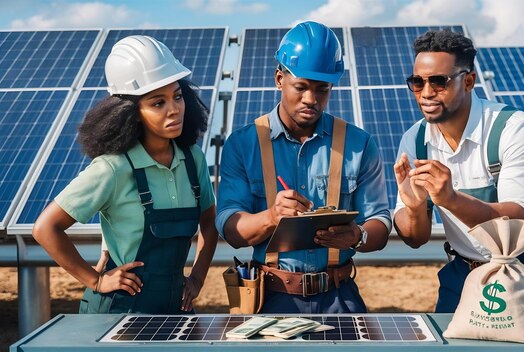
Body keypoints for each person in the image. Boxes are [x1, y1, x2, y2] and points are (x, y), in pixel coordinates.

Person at [32, 35, 218, 314]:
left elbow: (209, 222)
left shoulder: (193, 158)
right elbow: (45, 228)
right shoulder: (113, 168)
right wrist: (95, 280)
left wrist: (198, 277)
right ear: (130, 111)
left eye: (177, 96)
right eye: (158, 103)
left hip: (173, 308)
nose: (174, 109)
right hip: (118, 311)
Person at [216, 21, 391, 314]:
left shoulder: (359, 144)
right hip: (269, 298)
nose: (311, 99)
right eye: (301, 87)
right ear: (279, 79)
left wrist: (357, 235)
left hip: (339, 297)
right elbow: (230, 229)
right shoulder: (242, 144)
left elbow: (381, 223)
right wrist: (271, 217)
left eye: (322, 89)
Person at [393, 29, 524, 313]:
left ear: (469, 81)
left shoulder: (513, 129)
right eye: (417, 82)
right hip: (461, 274)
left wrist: (451, 200)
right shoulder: (415, 140)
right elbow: (415, 239)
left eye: (438, 81)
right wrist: (414, 209)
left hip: (521, 269)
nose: (426, 92)